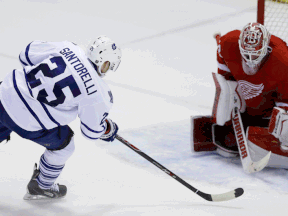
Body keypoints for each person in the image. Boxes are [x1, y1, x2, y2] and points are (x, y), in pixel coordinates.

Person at [0, 36, 122, 199]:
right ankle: (42, 186)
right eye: (108, 65)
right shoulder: (99, 93)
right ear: (104, 62)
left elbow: (26, 55)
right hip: (28, 121)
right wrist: (106, 129)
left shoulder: (68, 48)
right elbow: (91, 132)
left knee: (9, 110)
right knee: (65, 146)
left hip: (5, 92)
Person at [191, 22, 288, 169]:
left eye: (256, 54)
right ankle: (232, 126)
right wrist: (232, 91)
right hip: (247, 104)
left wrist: (282, 118)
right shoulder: (227, 44)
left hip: (268, 108)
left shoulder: (282, 60)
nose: (250, 60)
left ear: (266, 48)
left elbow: (285, 100)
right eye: (246, 53)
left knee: (283, 123)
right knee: (226, 94)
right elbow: (224, 73)